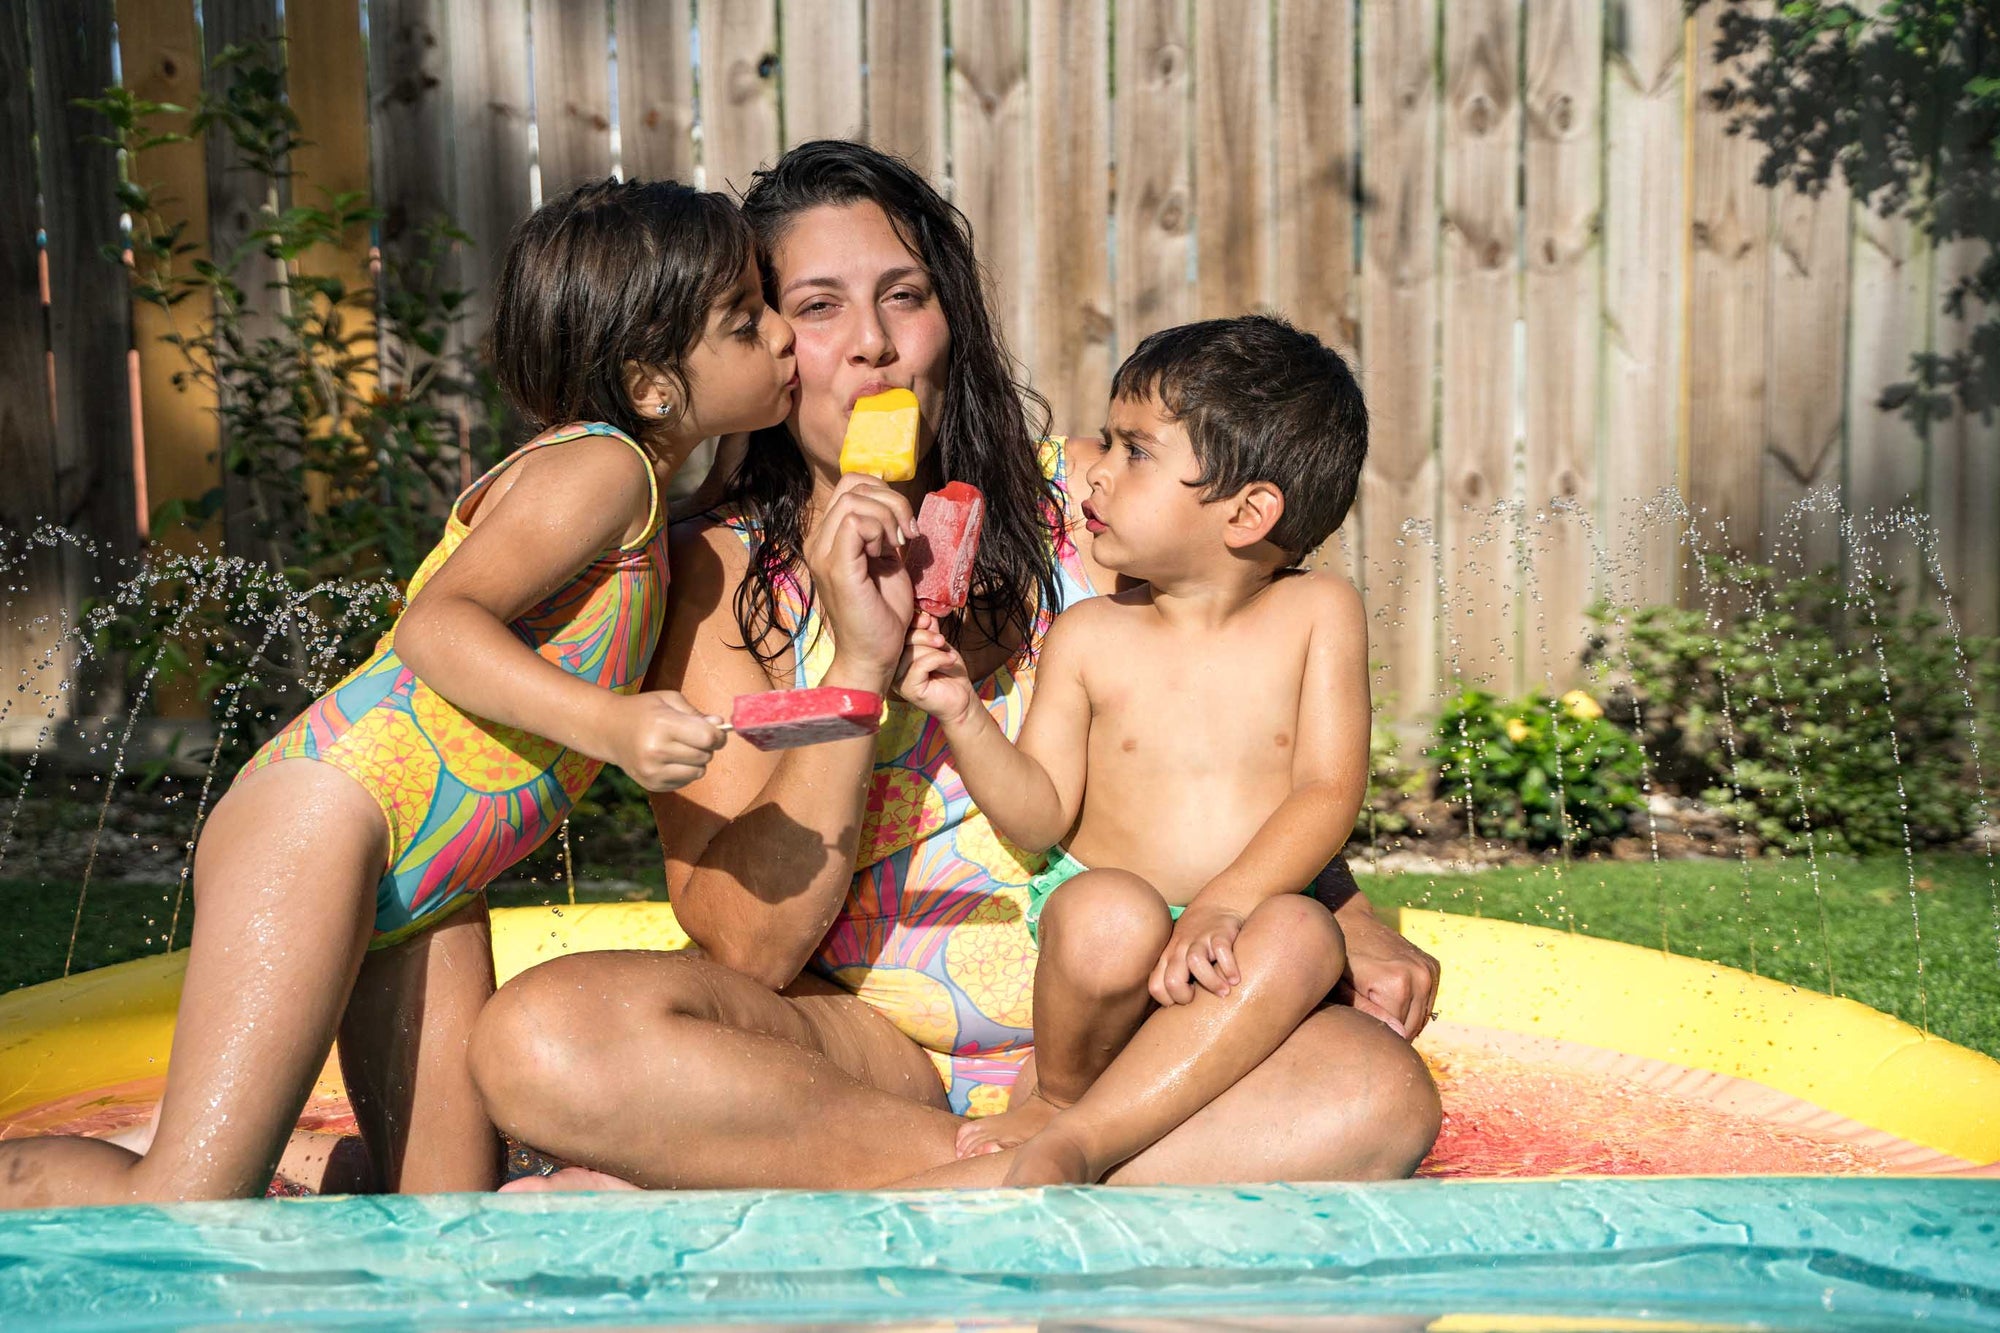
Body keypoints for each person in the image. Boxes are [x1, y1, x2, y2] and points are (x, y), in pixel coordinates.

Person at [469, 141, 1442, 1192]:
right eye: (819, 306)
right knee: (543, 1035)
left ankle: (904, 1190)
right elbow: (747, 945)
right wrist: (858, 656)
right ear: (757, 336)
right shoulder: (717, 573)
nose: (875, 346)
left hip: (1129, 1030)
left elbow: (1247, 727)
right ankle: (999, 1182)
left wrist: (1345, 912)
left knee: (1372, 1088)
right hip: (864, 1048)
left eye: (904, 295)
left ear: (952, 317)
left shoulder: (1092, 502)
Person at [0, 178, 797, 1208]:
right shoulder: (601, 470)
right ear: (650, 385)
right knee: (187, 1199)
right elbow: (436, 626)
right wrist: (612, 723)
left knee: (445, 1218)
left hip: (428, 880)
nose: (782, 334)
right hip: (325, 821)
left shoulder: (640, 479)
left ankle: (299, 1203)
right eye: (749, 320)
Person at [894, 315, 1371, 1185]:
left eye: (1135, 451)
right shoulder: (1089, 634)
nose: (1096, 470)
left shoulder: (1318, 615)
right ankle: (1063, 1099)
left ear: (1248, 511)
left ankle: (1093, 1139)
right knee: (1110, 914)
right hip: (1104, 933)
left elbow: (1328, 790)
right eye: (1107, 443)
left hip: (1246, 917)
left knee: (1304, 933)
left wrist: (1229, 904)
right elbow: (1040, 810)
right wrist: (962, 712)